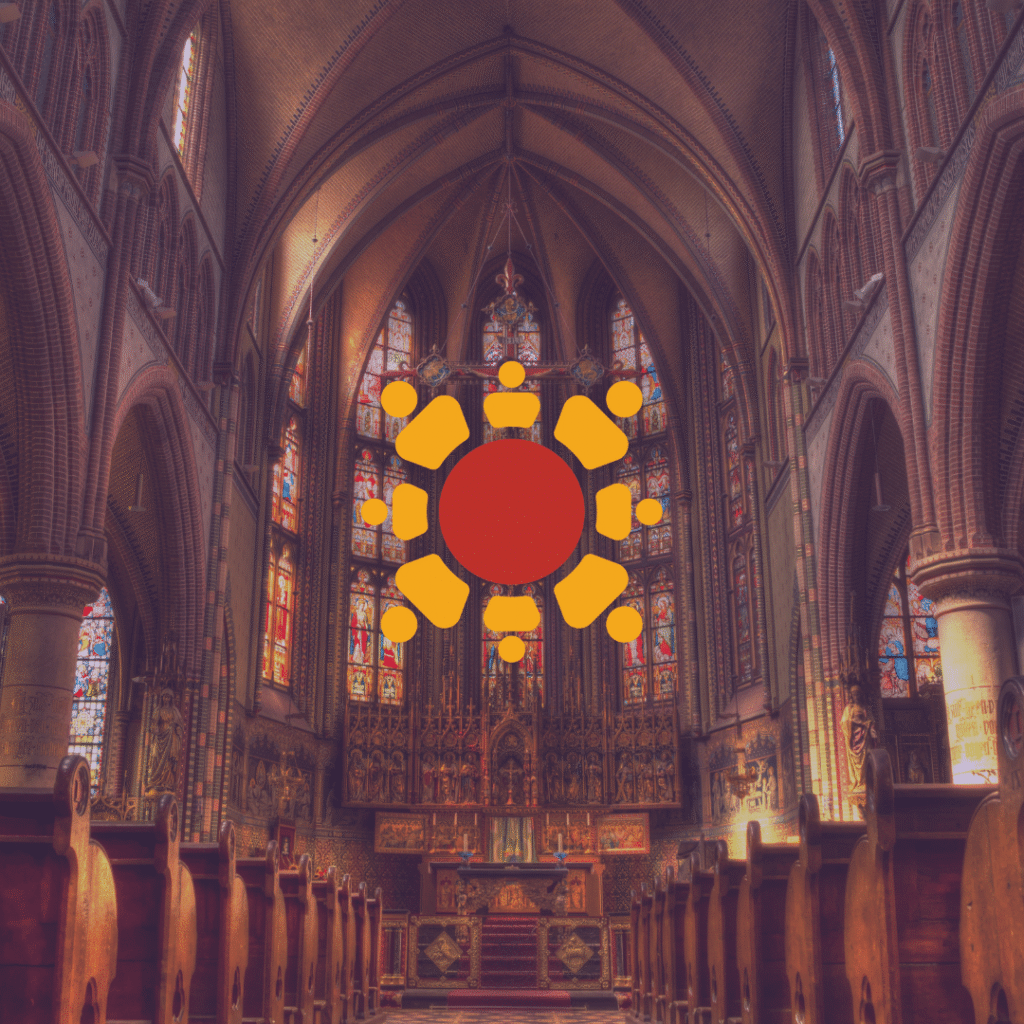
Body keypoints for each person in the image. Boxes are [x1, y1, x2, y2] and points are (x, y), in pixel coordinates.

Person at [841, 684, 878, 793]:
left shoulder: (865, 708)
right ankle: (857, 782)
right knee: (855, 761)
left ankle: (865, 782)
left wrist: (870, 727)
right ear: (851, 696)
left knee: (866, 758)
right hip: (854, 739)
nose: (856, 696)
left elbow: (871, 720)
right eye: (854, 694)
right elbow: (844, 722)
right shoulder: (849, 708)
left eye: (858, 694)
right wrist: (860, 723)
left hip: (865, 736)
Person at [146, 688, 184, 795]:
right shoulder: (158, 710)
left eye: (168, 697)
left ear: (171, 699)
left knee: (168, 761)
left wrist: (178, 730)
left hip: (171, 738)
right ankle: (155, 781)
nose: (166, 699)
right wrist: (155, 729)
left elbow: (180, 725)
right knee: (156, 759)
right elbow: (154, 724)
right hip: (160, 737)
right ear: (161, 698)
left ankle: (167, 783)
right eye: (164, 696)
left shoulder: (174, 711)